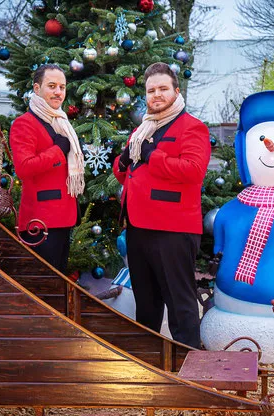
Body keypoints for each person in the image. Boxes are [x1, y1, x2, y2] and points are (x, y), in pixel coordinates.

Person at [112, 62, 211, 348]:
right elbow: (128, 174)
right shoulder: (142, 129)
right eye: (151, 90)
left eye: (163, 89)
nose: (156, 95)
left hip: (173, 229)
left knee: (180, 304)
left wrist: (150, 155)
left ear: (176, 91)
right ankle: (150, 361)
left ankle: (186, 362)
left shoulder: (193, 127)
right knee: (147, 305)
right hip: (138, 227)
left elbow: (193, 171)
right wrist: (123, 163)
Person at [10, 64, 85, 273]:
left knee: (58, 284)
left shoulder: (61, 121)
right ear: (36, 88)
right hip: (40, 220)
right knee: (44, 286)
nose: (58, 92)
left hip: (64, 217)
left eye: (62, 87)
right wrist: (57, 151)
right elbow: (24, 168)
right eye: (52, 86)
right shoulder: (24, 124)